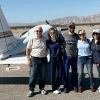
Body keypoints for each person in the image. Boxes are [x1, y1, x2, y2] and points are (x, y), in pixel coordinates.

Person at [26, 26, 47, 97]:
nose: (39, 32)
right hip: (34, 59)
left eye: (40, 31)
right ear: (35, 32)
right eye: (37, 31)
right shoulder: (32, 39)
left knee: (43, 75)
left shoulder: (45, 39)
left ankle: (42, 88)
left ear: (42, 31)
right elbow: (28, 49)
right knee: (33, 75)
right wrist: (28, 59)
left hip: (43, 59)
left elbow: (48, 48)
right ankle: (31, 89)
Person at [62, 22, 79, 93]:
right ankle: (65, 86)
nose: (71, 28)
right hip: (66, 56)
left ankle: (74, 85)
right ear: (68, 27)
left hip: (74, 56)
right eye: (70, 27)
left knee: (74, 72)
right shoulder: (63, 35)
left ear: (74, 28)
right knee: (66, 72)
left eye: (73, 27)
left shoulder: (77, 36)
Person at [46, 28, 64, 94]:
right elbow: (45, 49)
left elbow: (63, 46)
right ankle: (54, 88)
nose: (52, 34)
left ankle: (58, 86)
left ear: (56, 33)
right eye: (51, 33)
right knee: (52, 74)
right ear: (49, 34)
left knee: (60, 73)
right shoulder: (48, 42)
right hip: (53, 58)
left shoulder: (59, 40)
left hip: (59, 58)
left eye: (53, 32)